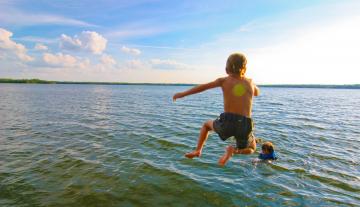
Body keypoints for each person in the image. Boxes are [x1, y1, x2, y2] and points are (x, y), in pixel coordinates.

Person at [173, 53, 260, 166]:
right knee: (252, 148)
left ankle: (198, 150)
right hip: (244, 124)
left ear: (226, 69)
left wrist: (182, 94)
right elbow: (257, 92)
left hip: (227, 122)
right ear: (244, 68)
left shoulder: (223, 81)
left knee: (206, 125)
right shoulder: (250, 82)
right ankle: (234, 151)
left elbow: (202, 87)